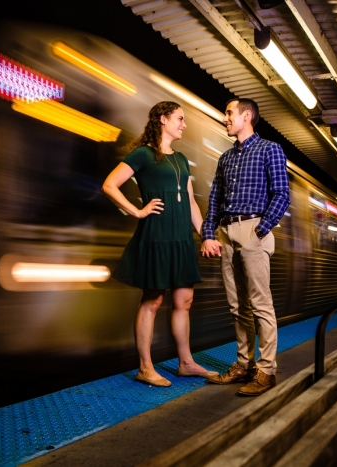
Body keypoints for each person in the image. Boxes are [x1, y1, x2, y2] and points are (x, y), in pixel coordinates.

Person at [102, 101, 217, 387]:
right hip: (156, 235)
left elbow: (190, 201)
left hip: (180, 237)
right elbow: (109, 184)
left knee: (184, 300)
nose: (184, 124)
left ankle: (186, 363)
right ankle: (145, 367)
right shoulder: (143, 154)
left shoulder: (180, 159)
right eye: (179, 118)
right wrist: (138, 211)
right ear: (163, 119)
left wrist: (206, 234)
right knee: (152, 301)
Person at [201, 98, 290, 396]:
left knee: (261, 304)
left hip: (254, 228)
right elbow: (214, 200)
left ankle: (266, 370)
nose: (225, 118)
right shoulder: (226, 158)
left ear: (247, 116)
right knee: (237, 305)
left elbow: (281, 194)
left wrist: (262, 229)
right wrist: (208, 234)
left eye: (229, 113)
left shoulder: (270, 149)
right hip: (226, 230)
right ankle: (243, 364)